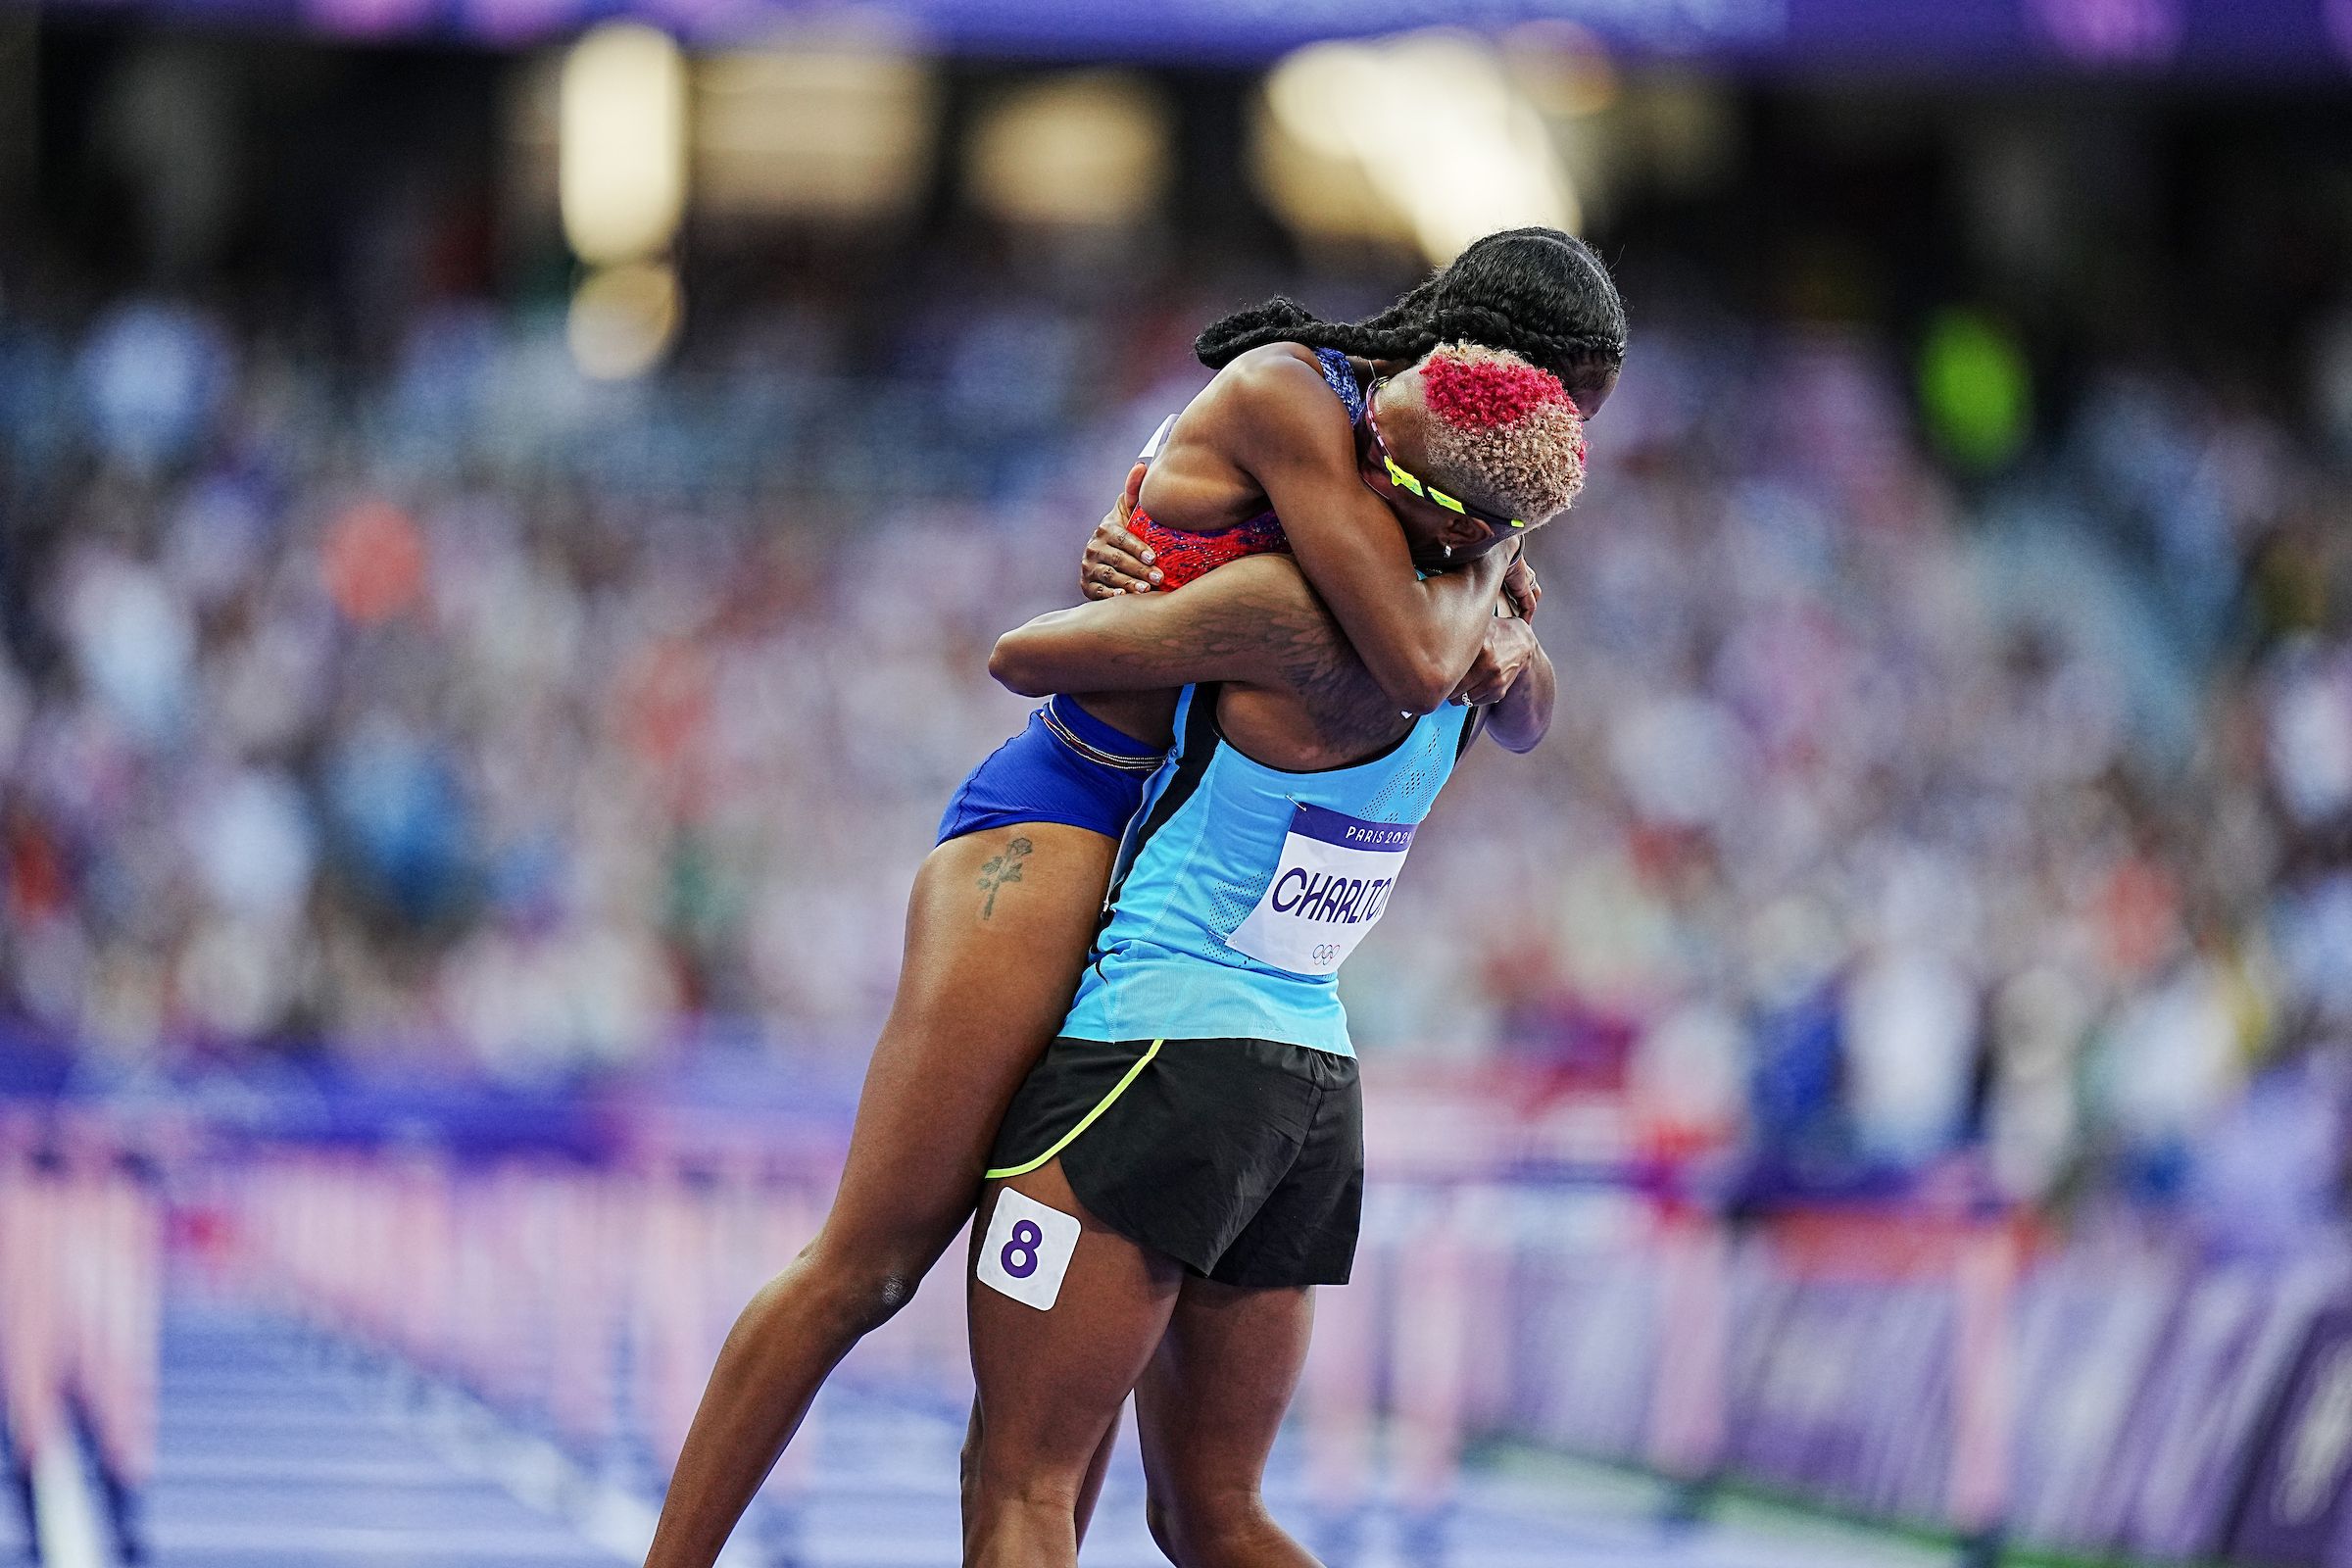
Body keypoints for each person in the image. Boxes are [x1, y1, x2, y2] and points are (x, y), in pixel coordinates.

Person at [641, 227, 1625, 1568]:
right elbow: (1407, 656)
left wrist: (1491, 593)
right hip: (1071, 813)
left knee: (1077, 1422)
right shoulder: (1300, 400)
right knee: (870, 1266)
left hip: (1182, 871)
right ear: (1476, 366)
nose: (1548, 450)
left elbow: (1513, 703)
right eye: (1552, 408)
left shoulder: (1445, 498)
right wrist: (1485, 590)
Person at [962, 342, 1588, 1568]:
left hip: (1156, 1051)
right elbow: (1527, 705)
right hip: (1305, 1089)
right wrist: (1497, 578)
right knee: (1216, 1517)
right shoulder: (1495, 660)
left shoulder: (1282, 610)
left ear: (1422, 497)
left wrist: (1136, 573)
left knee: (1020, 1485)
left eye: (1372, 447)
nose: (1343, 452)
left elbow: (1023, 657)